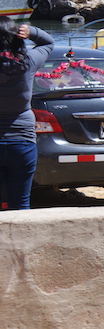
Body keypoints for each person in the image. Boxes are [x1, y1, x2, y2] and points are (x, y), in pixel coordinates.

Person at [0, 18, 54, 210]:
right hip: (22, 142)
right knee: (21, 202)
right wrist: (31, 31)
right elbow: (48, 43)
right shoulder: (28, 62)